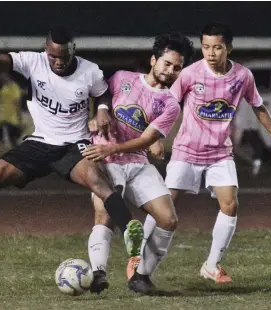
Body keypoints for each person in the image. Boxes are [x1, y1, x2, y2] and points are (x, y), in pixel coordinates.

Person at [0, 21, 143, 277]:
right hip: (39, 143)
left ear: (72, 50)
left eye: (63, 56)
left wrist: (103, 109)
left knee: (99, 181)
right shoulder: (32, 62)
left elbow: (103, 93)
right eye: (53, 56)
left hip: (74, 145)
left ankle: (131, 237)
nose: (58, 62)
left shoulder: (90, 71)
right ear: (45, 49)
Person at [137, 22, 271, 284]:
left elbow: (259, 107)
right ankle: (138, 255)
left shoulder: (243, 76)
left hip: (220, 154)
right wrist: (153, 136)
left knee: (230, 204)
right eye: (206, 47)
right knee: (163, 206)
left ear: (229, 48)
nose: (210, 53)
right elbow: (165, 102)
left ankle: (211, 265)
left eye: (217, 47)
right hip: (186, 152)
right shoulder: (189, 74)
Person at [82, 32, 194, 294]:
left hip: (136, 162)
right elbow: (101, 97)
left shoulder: (170, 104)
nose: (171, 71)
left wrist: (115, 145)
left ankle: (141, 276)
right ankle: (99, 273)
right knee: (104, 214)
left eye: (177, 67)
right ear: (154, 60)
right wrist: (100, 113)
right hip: (106, 161)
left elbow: (147, 140)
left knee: (168, 220)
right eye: (167, 63)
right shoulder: (122, 78)